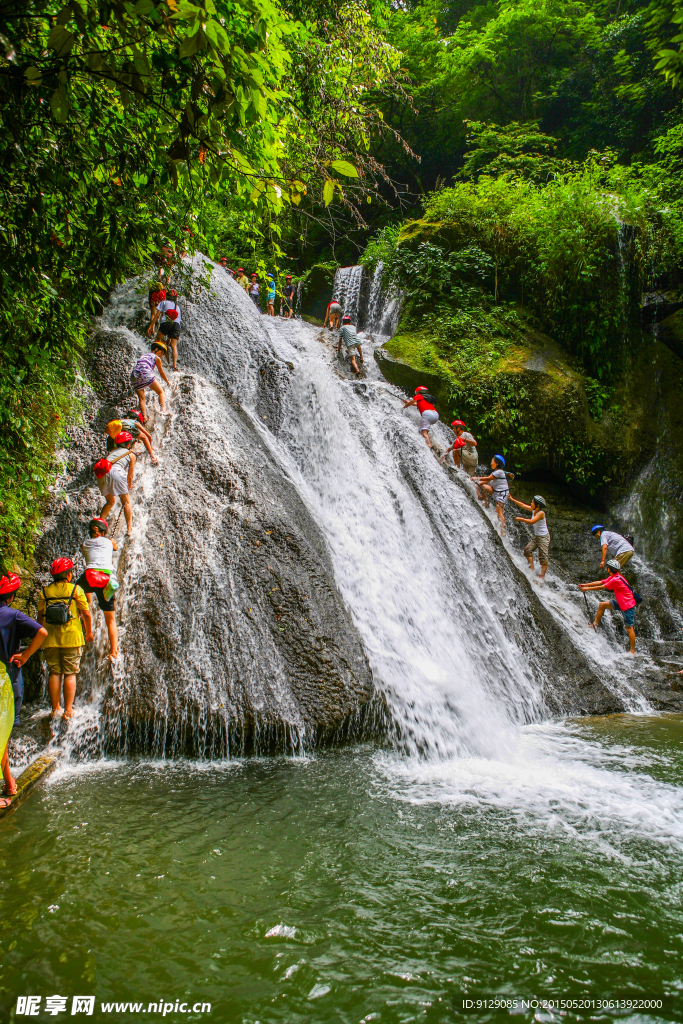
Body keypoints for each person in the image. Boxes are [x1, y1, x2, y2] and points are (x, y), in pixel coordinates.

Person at [37, 558, 93, 719]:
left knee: (54, 672)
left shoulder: (45, 592)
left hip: (50, 639)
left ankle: (55, 708)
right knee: (70, 673)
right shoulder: (75, 590)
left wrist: (38, 635)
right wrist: (88, 632)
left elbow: (40, 618)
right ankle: (68, 710)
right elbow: (86, 613)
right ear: (69, 575)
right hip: (72, 637)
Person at [0, 573, 47, 735]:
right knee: (10, 717)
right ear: (11, 596)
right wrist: (26, 655)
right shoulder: (13, 615)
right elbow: (42, 632)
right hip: (8, 670)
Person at [76, 519, 119, 663]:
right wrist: (111, 541)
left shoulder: (85, 544)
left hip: (89, 577)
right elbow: (116, 547)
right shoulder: (108, 542)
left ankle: (83, 612)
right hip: (106, 580)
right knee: (110, 619)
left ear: (90, 532)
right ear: (103, 532)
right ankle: (114, 651)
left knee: (75, 593)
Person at [579, 558, 638, 654]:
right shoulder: (615, 576)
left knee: (629, 628)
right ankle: (595, 624)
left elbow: (602, 587)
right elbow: (601, 582)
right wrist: (585, 585)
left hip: (628, 606)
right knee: (602, 605)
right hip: (621, 602)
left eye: (607, 567)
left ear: (609, 569)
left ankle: (632, 650)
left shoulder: (616, 579)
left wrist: (587, 589)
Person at [94, 433, 137, 537]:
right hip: (117, 472)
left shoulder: (112, 452)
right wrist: (129, 486)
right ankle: (129, 529)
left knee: (110, 501)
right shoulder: (131, 455)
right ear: (128, 444)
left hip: (102, 474)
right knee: (126, 502)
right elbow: (130, 476)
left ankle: (98, 524)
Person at [509, 494, 550, 579]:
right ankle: (531, 569)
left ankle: (542, 576)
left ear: (538, 505)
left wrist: (521, 519)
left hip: (544, 537)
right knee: (527, 550)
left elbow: (532, 521)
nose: (531, 503)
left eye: (532, 502)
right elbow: (523, 505)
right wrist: (512, 499)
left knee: (543, 556)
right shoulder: (533, 510)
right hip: (537, 537)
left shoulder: (541, 513)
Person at [130, 343, 170, 422]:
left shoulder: (144, 355)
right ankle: (163, 409)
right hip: (145, 373)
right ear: (155, 349)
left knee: (142, 398)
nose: (161, 355)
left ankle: (144, 417)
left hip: (135, 375)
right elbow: (161, 372)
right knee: (161, 392)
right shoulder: (156, 358)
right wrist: (167, 382)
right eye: (160, 352)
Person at [472, 455, 510, 533]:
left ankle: (502, 531)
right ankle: (486, 503)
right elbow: (482, 482)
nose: (491, 463)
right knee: (483, 486)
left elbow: (488, 478)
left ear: (497, 463)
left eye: (492, 462)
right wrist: (477, 489)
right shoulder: (495, 472)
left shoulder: (499, 472)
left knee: (499, 511)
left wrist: (475, 478)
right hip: (496, 492)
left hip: (502, 494)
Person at [148, 288, 181, 371]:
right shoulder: (178, 307)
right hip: (176, 325)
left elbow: (157, 315)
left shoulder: (163, 302)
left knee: (158, 339)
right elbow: (177, 322)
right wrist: (169, 337)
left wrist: (151, 325)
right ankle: (174, 365)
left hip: (166, 322)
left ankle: (153, 357)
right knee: (174, 346)